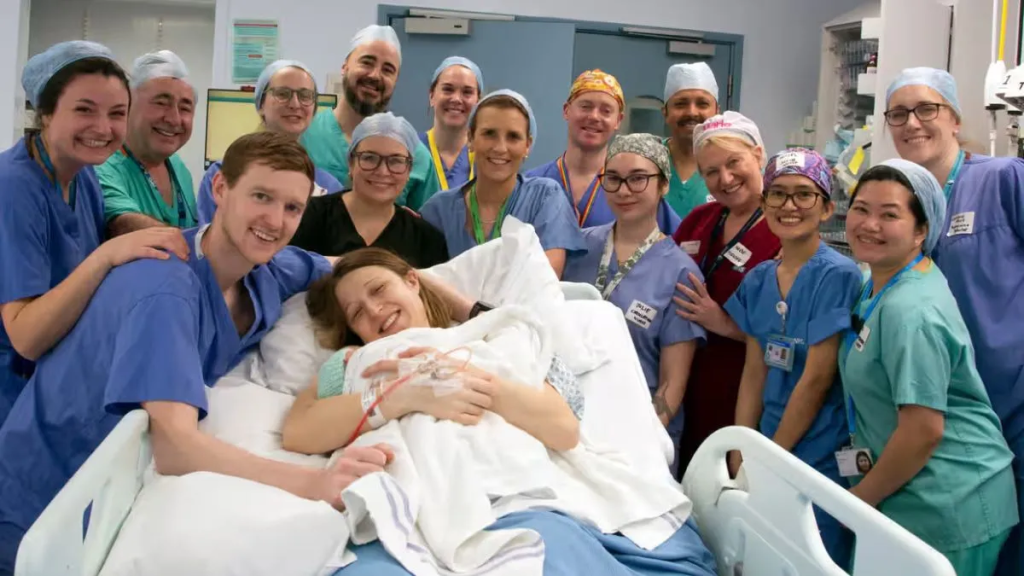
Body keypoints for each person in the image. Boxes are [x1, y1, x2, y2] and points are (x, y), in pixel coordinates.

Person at [0, 132, 396, 575]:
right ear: (220, 188)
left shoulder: (265, 271)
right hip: (41, 501)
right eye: (261, 197)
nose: (275, 220)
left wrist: (443, 301)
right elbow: (177, 448)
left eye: (292, 208)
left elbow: (347, 266)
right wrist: (318, 483)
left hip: (115, 495)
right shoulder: (165, 286)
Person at [280, 247, 718, 576]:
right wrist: (402, 395)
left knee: (546, 555)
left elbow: (563, 430)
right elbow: (299, 432)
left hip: (511, 501)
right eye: (357, 312)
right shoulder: (352, 362)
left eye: (379, 290)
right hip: (407, 515)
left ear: (412, 281)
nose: (375, 310)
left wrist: (460, 376)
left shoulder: (497, 336)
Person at [840, 159, 1018, 575]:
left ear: (922, 230)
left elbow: (923, 431)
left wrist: (857, 502)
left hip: (950, 499)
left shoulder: (912, 310)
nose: (869, 225)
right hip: (910, 492)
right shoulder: (880, 283)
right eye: (861, 209)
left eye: (890, 215)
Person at [0, 41, 188, 427]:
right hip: (13, 391)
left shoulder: (84, 177)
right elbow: (26, 337)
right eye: (84, 110)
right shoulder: (13, 188)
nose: (103, 128)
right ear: (45, 112)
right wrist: (107, 255)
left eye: (117, 113)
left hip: (54, 378)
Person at [885, 67, 1024, 575]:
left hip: (1012, 399)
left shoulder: (1003, 180)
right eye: (898, 113)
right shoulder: (899, 200)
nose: (912, 123)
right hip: (943, 406)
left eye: (927, 108)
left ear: (955, 118)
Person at [725, 148, 861, 567]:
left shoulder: (837, 274)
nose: (789, 205)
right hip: (767, 440)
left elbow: (817, 379)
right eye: (778, 194)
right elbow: (753, 373)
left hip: (818, 449)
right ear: (764, 202)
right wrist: (740, 449)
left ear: (827, 208)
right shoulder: (758, 279)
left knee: (812, 559)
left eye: (804, 194)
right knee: (764, 556)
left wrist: (771, 459)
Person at [561, 133, 704, 476]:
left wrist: (641, 440)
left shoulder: (680, 273)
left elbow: (672, 383)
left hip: (638, 435)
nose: (624, 191)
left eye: (638, 179)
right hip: (569, 423)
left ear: (663, 185)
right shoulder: (578, 248)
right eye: (613, 179)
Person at [671, 112, 782, 474]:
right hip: (688, 385)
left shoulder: (783, 228)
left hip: (747, 388)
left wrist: (723, 323)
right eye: (711, 171)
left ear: (758, 154)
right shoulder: (699, 220)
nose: (726, 179)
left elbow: (793, 336)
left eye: (734, 163)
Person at [419, 89, 584, 277]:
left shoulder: (544, 198)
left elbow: (545, 278)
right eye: (489, 133)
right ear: (470, 139)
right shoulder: (439, 210)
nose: (500, 148)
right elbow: (423, 283)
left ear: (527, 145)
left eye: (513, 136)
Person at [301, 25, 439, 210]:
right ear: (345, 67)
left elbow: (426, 223)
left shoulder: (415, 155)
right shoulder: (304, 137)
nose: (375, 75)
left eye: (387, 70)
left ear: (396, 81)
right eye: (366, 62)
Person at [527, 69, 680, 234]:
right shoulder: (531, 183)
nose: (594, 117)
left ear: (618, 120)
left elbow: (679, 240)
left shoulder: (636, 190)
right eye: (585, 107)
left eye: (606, 111)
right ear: (566, 110)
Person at [289, 112, 449, 268]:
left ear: (409, 170)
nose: (382, 171)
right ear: (351, 163)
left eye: (395, 161)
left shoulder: (426, 241)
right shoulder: (306, 217)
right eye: (369, 158)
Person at [196, 59, 344, 224]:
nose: (295, 104)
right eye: (282, 94)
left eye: (305, 96)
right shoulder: (225, 173)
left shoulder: (329, 187)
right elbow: (208, 236)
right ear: (261, 105)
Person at [95, 50, 198, 234]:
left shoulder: (178, 167)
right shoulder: (101, 165)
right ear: (127, 106)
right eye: (161, 103)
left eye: (185, 108)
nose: (174, 119)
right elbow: (125, 224)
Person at [662, 63, 720, 220]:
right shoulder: (647, 161)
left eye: (702, 104)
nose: (692, 112)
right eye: (681, 104)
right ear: (665, 112)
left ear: (717, 112)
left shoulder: (734, 165)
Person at [420, 56, 482, 191]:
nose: (456, 99)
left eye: (467, 92)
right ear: (431, 96)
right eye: (448, 89)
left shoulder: (486, 157)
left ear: (478, 101)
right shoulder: (411, 151)